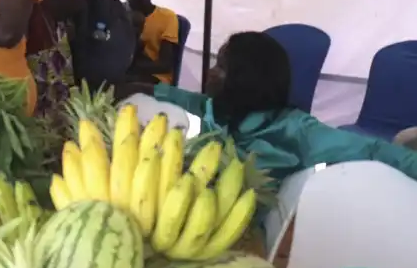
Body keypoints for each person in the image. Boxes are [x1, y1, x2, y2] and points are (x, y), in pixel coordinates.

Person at [150, 31, 417, 183]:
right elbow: (189, 100)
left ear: (245, 78)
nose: (209, 72)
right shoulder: (221, 109)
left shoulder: (295, 129)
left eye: (221, 66)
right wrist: (147, 88)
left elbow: (371, 149)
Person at [125, 0, 179, 84]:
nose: (131, 2)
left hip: (156, 77)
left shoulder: (167, 17)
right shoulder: (125, 14)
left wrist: (131, 65)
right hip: (131, 70)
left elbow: (165, 65)